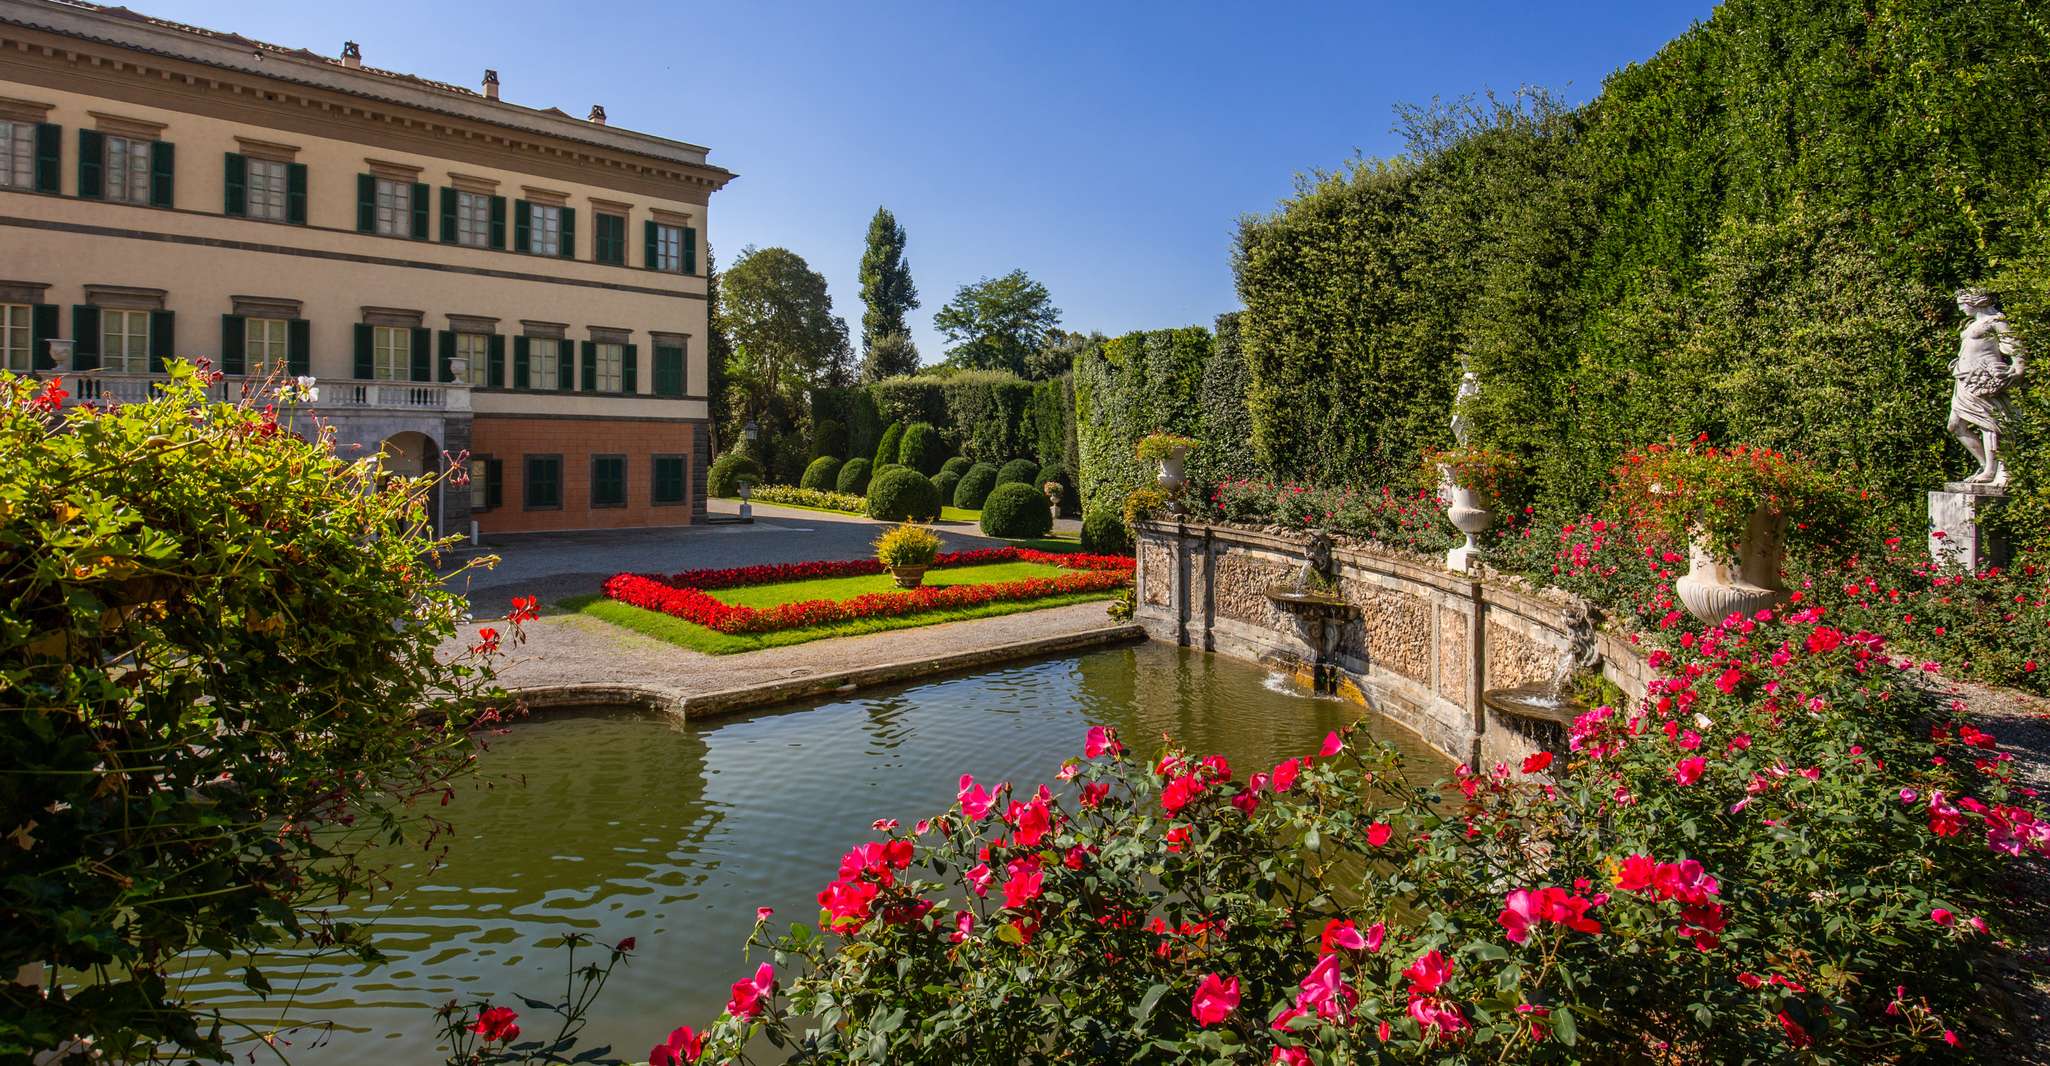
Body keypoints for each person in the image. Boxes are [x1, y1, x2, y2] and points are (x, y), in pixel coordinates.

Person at [1948, 288, 2026, 485]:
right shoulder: (1974, 323)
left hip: (1983, 378)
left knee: (1988, 422)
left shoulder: (1995, 321)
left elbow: (2013, 344)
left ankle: (1992, 471)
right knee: (1955, 426)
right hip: (1965, 379)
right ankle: (1986, 466)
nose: (1960, 308)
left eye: (1962, 304)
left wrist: (2018, 367)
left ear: (1975, 302)